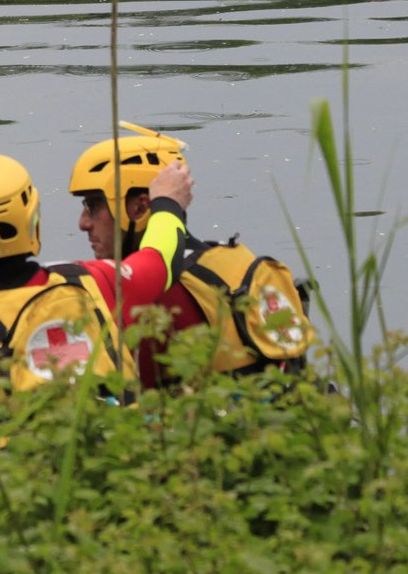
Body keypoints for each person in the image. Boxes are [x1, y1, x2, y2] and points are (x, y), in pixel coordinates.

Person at [0, 152, 194, 422]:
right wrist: (167, 203)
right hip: (117, 467)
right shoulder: (95, 282)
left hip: (12, 476)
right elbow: (162, 258)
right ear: (33, 218)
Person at [69, 124, 309, 382]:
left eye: (93, 206)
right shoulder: (234, 258)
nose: (83, 223)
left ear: (140, 208)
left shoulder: (150, 298)